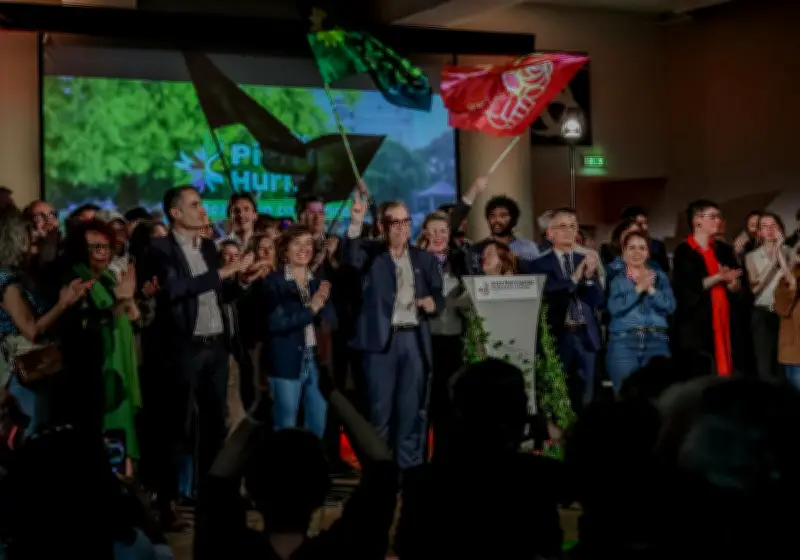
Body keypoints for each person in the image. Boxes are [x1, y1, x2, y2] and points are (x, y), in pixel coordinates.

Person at [149, 185, 253, 529]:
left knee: (215, 425)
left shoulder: (208, 246)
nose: (202, 210)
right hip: (183, 347)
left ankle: (213, 498)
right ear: (175, 213)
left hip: (216, 345)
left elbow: (219, 292)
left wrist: (242, 278)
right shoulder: (160, 249)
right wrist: (221, 273)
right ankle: (169, 501)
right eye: (194, 205)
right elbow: (173, 290)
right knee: (178, 426)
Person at [396, 359, 568, 560]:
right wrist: (562, 437)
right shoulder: (537, 475)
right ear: (519, 414)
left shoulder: (422, 481)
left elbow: (406, 547)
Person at [343, 183, 444, 470]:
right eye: (394, 222)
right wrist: (355, 221)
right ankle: (380, 474)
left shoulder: (423, 259)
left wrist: (433, 304)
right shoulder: (371, 254)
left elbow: (439, 295)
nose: (401, 228)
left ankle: (409, 471)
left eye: (406, 221)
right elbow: (350, 261)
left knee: (412, 412)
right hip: (379, 344)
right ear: (381, 225)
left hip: (413, 340)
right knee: (379, 413)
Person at [261, 225, 337, 438]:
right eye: (297, 244)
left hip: (316, 360)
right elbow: (275, 323)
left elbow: (332, 322)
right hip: (287, 360)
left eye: (308, 244)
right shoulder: (273, 282)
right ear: (285, 250)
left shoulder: (318, 282)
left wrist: (323, 306)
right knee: (285, 426)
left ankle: (311, 471)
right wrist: (310, 308)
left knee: (317, 423)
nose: (304, 249)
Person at [532, 207, 604, 410]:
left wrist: (589, 279)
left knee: (588, 395)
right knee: (558, 393)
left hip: (585, 335)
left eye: (573, 226)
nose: (568, 231)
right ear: (550, 233)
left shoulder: (586, 260)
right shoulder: (538, 264)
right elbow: (548, 293)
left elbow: (598, 300)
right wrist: (574, 279)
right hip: (558, 334)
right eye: (562, 226)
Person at [672, 200, 743, 376]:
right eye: (712, 217)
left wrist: (734, 284)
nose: (718, 221)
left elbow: (738, 283)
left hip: (727, 320)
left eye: (718, 217)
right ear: (697, 221)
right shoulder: (684, 251)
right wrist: (718, 277)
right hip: (700, 325)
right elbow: (687, 288)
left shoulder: (724, 250)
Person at [606, 231, 675, 392]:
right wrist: (638, 289)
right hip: (624, 342)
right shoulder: (618, 279)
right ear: (624, 252)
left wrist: (650, 289)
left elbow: (669, 306)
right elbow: (614, 308)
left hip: (656, 341)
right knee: (625, 395)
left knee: (658, 395)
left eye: (642, 248)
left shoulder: (660, 277)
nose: (637, 252)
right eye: (632, 248)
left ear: (648, 252)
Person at [744, 212, 792, 382]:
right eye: (764, 226)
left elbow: (792, 283)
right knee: (764, 364)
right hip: (762, 313)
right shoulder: (751, 256)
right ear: (759, 232)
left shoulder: (790, 252)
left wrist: (781, 254)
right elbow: (755, 288)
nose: (770, 230)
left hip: (786, 314)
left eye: (774, 226)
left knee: (785, 363)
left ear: (780, 228)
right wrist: (773, 263)